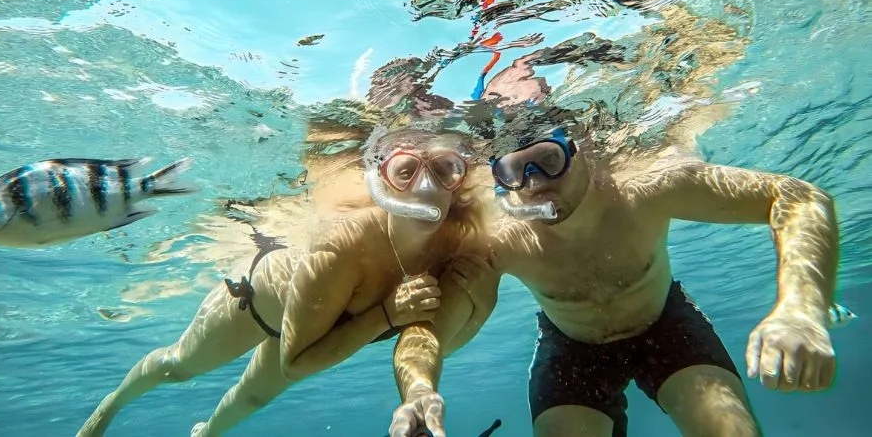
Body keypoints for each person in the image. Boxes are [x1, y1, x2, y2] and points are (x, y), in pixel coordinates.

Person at [388, 121, 842, 437]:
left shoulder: (646, 189)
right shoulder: (499, 240)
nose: (535, 184)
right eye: (514, 172)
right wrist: (419, 387)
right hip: (572, 350)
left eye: (548, 159)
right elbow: (430, 327)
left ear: (581, 150)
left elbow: (798, 198)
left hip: (666, 325)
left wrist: (802, 310)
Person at [77, 127, 494, 437]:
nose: (427, 186)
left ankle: (206, 434)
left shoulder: (460, 242)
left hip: (328, 332)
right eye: (405, 171)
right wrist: (386, 315)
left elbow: (440, 338)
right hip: (260, 306)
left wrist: (475, 297)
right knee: (180, 365)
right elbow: (294, 362)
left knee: (252, 398)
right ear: (380, 181)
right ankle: (108, 409)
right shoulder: (343, 246)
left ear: (461, 179)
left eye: (445, 170)